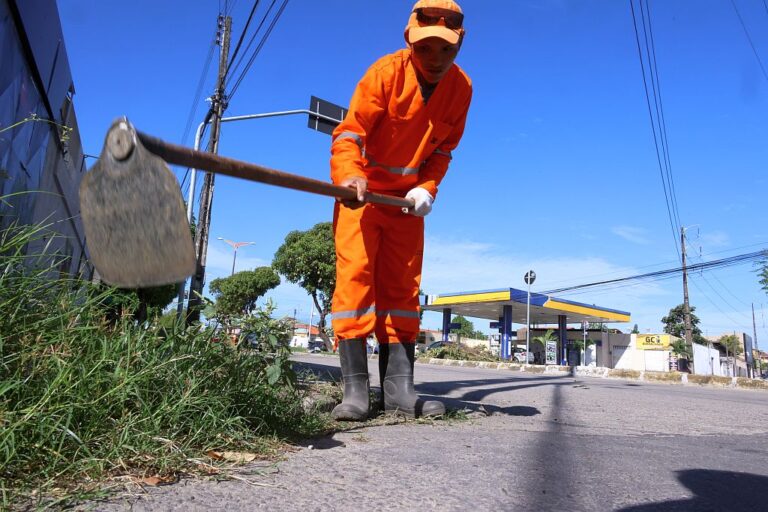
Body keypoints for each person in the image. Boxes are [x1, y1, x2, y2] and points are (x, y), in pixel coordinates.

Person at [328, 0, 472, 421]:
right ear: (409, 39)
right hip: (364, 198)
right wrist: (350, 177)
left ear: (460, 44)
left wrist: (428, 188)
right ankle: (355, 392)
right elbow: (348, 135)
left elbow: (443, 151)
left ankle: (398, 390)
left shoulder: (461, 89)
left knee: (403, 291)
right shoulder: (384, 74)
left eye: (446, 50)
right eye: (427, 48)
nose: (436, 60)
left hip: (406, 205)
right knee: (355, 282)